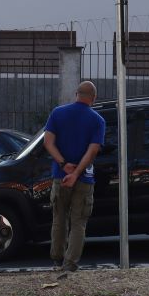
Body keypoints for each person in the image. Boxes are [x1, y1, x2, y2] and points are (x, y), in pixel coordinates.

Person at [43, 80, 105, 273]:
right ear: (93, 98)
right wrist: (77, 172)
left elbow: (48, 142)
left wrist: (63, 165)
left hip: (60, 177)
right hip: (84, 179)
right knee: (79, 222)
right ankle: (70, 265)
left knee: (59, 219)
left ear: (76, 94)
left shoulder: (57, 113)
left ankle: (57, 259)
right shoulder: (97, 120)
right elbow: (93, 150)